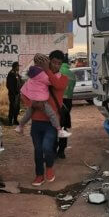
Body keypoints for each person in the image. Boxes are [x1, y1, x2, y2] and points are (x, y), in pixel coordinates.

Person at [26, 51, 68, 186]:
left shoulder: (63, 78)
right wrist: (31, 104)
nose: (56, 66)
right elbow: (26, 91)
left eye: (59, 64)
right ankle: (39, 175)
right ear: (49, 61)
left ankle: (49, 168)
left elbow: (57, 85)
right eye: (54, 62)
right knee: (38, 150)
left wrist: (46, 69)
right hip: (36, 120)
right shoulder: (38, 77)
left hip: (51, 122)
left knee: (47, 148)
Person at [14, 59, 70, 138]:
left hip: (33, 101)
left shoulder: (31, 79)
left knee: (27, 115)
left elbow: (23, 91)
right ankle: (59, 130)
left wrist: (30, 102)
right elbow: (54, 83)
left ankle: (20, 126)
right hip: (42, 101)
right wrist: (52, 73)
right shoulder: (43, 77)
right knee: (52, 115)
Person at [56, 54, 76, 159]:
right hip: (68, 103)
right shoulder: (72, 74)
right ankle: (61, 151)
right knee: (63, 127)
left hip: (57, 102)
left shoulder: (56, 72)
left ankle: (53, 149)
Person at [6, 61, 22, 125]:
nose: (19, 67)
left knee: (17, 107)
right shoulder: (11, 74)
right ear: (15, 67)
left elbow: (19, 82)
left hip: (17, 94)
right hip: (13, 94)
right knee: (12, 107)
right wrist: (13, 93)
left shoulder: (17, 74)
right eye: (18, 66)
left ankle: (15, 120)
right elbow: (9, 85)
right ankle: (10, 121)